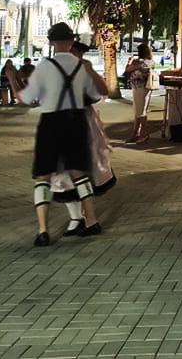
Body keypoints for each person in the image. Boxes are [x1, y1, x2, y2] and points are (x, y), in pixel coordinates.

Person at [7, 22, 108, 247]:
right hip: (77, 121)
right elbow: (98, 93)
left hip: (51, 122)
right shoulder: (82, 66)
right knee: (79, 172)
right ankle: (91, 221)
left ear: (52, 43)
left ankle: (43, 230)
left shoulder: (45, 66)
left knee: (44, 175)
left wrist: (13, 79)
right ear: (72, 42)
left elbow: (26, 98)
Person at [50, 41, 117, 235]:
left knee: (83, 171)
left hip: (83, 123)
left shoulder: (85, 71)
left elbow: (100, 93)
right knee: (62, 173)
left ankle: (89, 220)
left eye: (74, 53)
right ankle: (76, 218)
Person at [124, 44, 156, 143]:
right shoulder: (140, 61)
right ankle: (136, 133)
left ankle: (144, 133)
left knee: (141, 110)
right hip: (136, 86)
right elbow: (128, 69)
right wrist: (131, 64)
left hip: (143, 87)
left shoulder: (148, 62)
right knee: (137, 110)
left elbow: (141, 68)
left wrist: (133, 65)